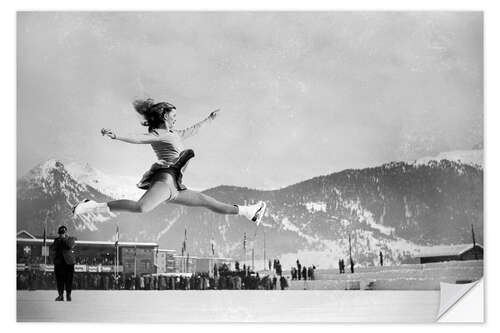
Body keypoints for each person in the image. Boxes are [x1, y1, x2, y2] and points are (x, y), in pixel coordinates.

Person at [72, 98, 267, 226]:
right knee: (141, 208)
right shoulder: (158, 134)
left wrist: (209, 119)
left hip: (176, 186)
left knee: (207, 202)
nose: (175, 120)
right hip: (165, 180)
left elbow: (193, 129)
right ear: (165, 116)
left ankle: (250, 211)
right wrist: (117, 136)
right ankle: (91, 206)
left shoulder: (175, 133)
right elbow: (138, 138)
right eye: (173, 116)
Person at [50, 225, 76, 301]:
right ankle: (60, 295)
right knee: (59, 280)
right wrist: (58, 241)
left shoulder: (70, 239)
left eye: (63, 233)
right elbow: (52, 248)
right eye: (60, 233)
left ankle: (68, 295)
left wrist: (64, 239)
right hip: (59, 263)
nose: (61, 234)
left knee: (69, 280)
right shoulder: (56, 240)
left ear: (66, 232)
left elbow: (70, 246)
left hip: (69, 263)